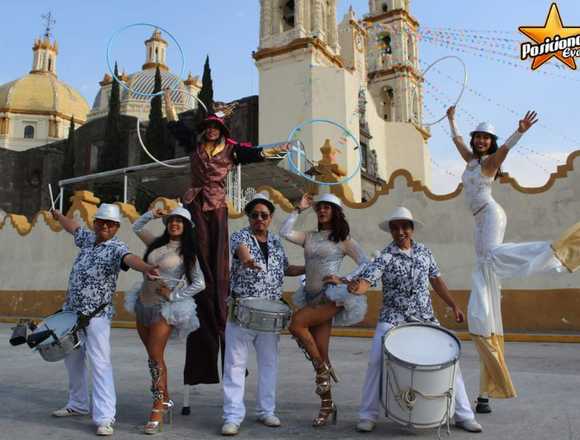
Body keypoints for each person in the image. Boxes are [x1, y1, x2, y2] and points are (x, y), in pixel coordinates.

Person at [446, 106, 580, 412]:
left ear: (490, 142)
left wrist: (520, 130)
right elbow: (456, 143)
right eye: (477, 137)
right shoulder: (470, 161)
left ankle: (558, 249)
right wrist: (452, 120)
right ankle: (484, 393)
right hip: (479, 223)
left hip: (492, 217)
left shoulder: (491, 163)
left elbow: (505, 149)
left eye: (485, 138)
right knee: (485, 276)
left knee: (492, 259)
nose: (480, 141)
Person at [164, 91, 289, 386]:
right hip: (194, 204)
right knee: (197, 260)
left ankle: (217, 297)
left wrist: (280, 149)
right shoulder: (195, 146)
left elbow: (256, 153)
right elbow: (175, 128)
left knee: (218, 269)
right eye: (208, 126)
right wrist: (169, 105)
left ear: (222, 131)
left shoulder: (231, 149)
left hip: (217, 206)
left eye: (216, 127)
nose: (211, 130)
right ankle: (200, 282)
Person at [349, 207, 483, 434]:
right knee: (375, 361)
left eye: (404, 227)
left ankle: (463, 415)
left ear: (411, 229)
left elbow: (437, 281)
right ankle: (367, 415)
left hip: (424, 316)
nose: (400, 231)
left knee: (450, 361)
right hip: (393, 317)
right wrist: (356, 288)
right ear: (391, 231)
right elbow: (366, 281)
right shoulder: (385, 256)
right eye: (395, 228)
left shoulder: (424, 252)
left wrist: (453, 305)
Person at [50, 203, 159, 437]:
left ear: (117, 227)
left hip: (96, 316)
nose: (106, 227)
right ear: (95, 223)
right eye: (102, 222)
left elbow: (130, 259)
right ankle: (78, 404)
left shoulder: (116, 248)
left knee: (100, 364)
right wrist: (59, 215)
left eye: (111, 224)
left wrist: (146, 268)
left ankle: (105, 417)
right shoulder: (88, 239)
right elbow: (73, 227)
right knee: (73, 360)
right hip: (71, 313)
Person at [280, 193, 369, 427]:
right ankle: (327, 405)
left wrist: (344, 279)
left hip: (331, 298)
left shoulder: (343, 240)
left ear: (336, 212)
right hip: (310, 296)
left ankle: (323, 368)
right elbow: (284, 232)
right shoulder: (309, 236)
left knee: (296, 324)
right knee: (320, 352)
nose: (322, 211)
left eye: (328, 208)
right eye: (320, 208)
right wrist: (298, 210)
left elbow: (367, 263)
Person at [221, 193, 304, 436]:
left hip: (269, 313)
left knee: (269, 364)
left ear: (270, 218)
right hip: (243, 311)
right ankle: (232, 417)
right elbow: (242, 252)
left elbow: (286, 268)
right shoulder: (240, 236)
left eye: (264, 215)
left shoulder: (277, 242)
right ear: (248, 216)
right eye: (254, 214)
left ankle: (266, 411)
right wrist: (248, 262)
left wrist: (311, 266)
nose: (259, 218)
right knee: (235, 365)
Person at [125, 205, 205, 434]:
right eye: (171, 220)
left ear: (187, 226)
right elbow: (136, 226)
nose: (174, 223)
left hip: (164, 309)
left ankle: (158, 407)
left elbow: (200, 283)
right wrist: (151, 214)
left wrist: (174, 295)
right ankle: (166, 400)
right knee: (152, 357)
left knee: (155, 357)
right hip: (142, 303)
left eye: (180, 220)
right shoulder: (155, 244)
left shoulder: (187, 253)